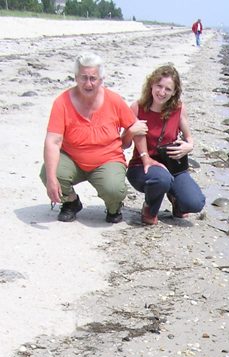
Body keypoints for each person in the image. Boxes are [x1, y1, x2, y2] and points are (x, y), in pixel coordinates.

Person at [41, 52, 145, 224]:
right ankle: (71, 202)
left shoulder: (114, 100)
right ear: (76, 77)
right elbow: (52, 141)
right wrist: (51, 180)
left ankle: (114, 207)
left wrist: (145, 158)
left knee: (114, 190)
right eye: (83, 78)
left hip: (107, 159)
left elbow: (137, 128)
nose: (88, 83)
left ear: (101, 79)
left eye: (93, 78)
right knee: (48, 173)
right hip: (72, 159)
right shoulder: (62, 102)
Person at [125, 64, 205, 226]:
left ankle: (176, 199)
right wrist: (132, 131)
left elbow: (189, 138)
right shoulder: (137, 107)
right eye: (159, 86)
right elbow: (124, 144)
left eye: (168, 89)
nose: (162, 92)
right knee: (161, 179)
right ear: (151, 85)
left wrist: (189, 146)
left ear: (174, 92)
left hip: (172, 165)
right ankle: (150, 208)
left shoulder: (178, 109)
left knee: (195, 203)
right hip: (143, 166)